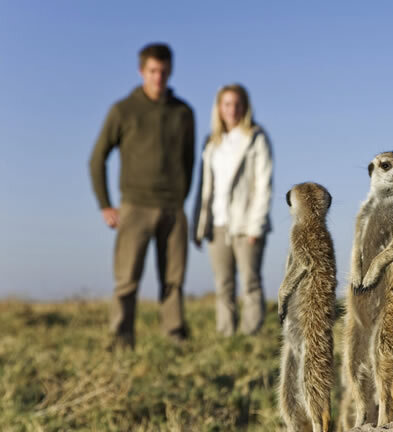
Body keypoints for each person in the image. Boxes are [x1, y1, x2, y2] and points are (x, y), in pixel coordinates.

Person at [89, 43, 195, 349]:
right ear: (141, 72)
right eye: (152, 71)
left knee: (173, 280)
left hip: (174, 208)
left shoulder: (183, 112)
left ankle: (175, 338)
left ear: (170, 71)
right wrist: (105, 204)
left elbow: (189, 161)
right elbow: (97, 158)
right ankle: (121, 339)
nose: (158, 77)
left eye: (163, 71)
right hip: (134, 206)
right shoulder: (123, 110)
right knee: (126, 280)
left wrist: (181, 197)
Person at [191, 84, 273, 336]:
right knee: (223, 284)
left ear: (245, 107)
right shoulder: (211, 142)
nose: (232, 109)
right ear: (219, 108)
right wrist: (200, 225)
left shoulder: (256, 138)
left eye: (237, 104)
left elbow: (263, 183)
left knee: (250, 282)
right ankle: (226, 335)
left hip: (247, 223)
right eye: (227, 104)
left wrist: (255, 225)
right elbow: (205, 187)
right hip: (218, 223)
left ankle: (251, 335)